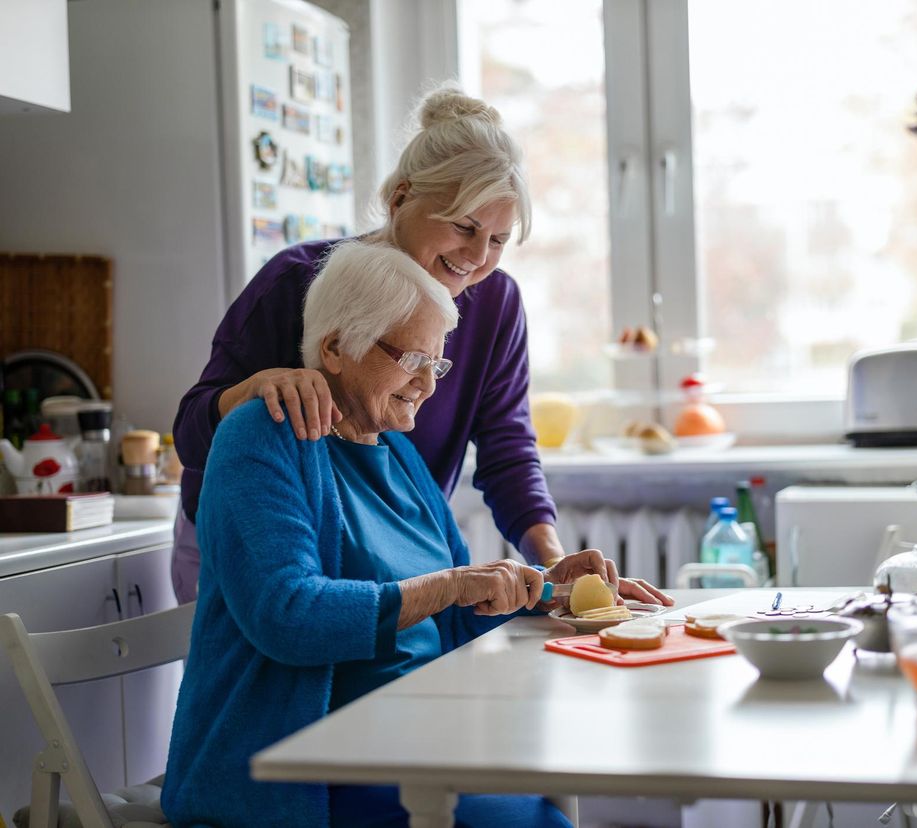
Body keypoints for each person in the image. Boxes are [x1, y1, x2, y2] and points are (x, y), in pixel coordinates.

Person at [171, 83, 670, 607]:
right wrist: (254, 388)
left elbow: (507, 447)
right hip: (256, 553)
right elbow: (190, 432)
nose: (478, 256)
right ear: (399, 197)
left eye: (498, 239)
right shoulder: (297, 280)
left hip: (382, 557)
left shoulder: (494, 303)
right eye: (464, 226)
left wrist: (549, 562)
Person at [163, 242, 601, 827]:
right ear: (337, 347)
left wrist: (547, 590)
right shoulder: (262, 438)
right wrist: (448, 585)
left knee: (543, 798)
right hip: (300, 766)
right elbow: (286, 614)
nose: (426, 384)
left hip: (413, 739)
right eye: (410, 359)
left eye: (436, 364)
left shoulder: (398, 452)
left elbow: (455, 615)